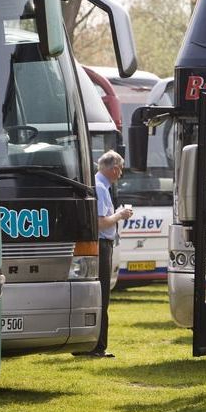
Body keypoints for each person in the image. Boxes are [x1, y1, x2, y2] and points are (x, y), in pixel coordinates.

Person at [80, 150, 133, 358]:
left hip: (100, 244)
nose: (121, 174)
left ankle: (88, 343)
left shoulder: (97, 183)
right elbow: (101, 222)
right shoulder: (101, 187)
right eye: (120, 169)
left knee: (95, 295)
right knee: (102, 296)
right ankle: (97, 346)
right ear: (114, 168)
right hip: (102, 245)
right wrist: (120, 215)